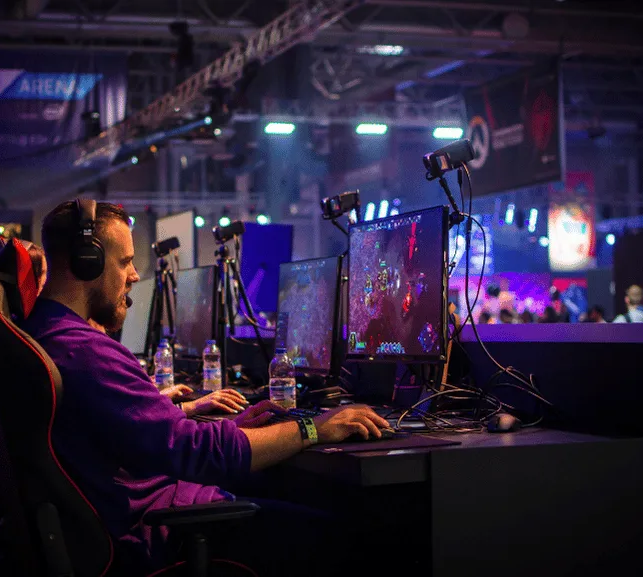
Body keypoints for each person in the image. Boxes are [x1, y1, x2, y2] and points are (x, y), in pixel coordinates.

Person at [20, 200, 389, 574]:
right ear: (87, 262)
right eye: (124, 261)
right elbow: (193, 452)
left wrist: (235, 427)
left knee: (289, 491)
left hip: (144, 514)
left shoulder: (44, 335)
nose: (133, 275)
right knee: (350, 535)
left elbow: (163, 437)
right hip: (159, 535)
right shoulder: (83, 351)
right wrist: (314, 427)